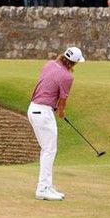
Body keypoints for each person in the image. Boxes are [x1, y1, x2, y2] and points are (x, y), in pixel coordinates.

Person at [28, 46, 85, 201]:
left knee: (47, 149)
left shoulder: (49, 64)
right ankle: (43, 189)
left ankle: (47, 185)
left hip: (33, 108)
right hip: (43, 112)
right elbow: (63, 100)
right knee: (49, 150)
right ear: (73, 63)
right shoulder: (67, 77)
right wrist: (61, 112)